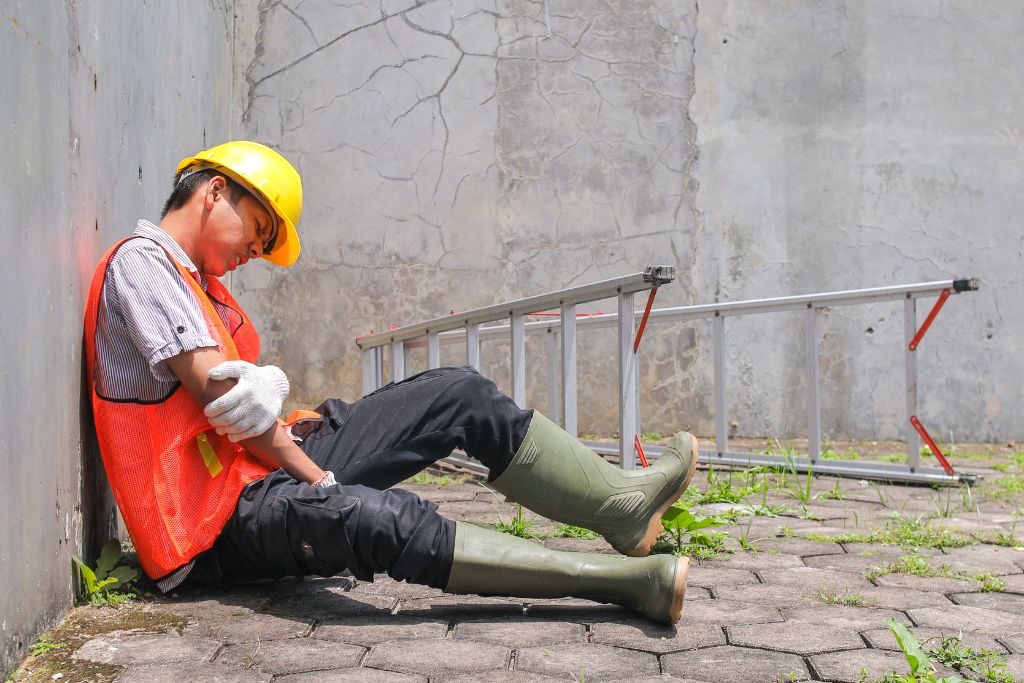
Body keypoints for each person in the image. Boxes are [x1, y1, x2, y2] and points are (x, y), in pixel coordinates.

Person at [83, 141, 699, 624]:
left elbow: (244, 412)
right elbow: (235, 404)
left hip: (253, 476)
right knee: (380, 519)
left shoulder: (202, 286)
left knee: (456, 393)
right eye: (259, 230)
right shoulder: (142, 263)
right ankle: (621, 585)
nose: (257, 250)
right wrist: (321, 480)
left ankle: (623, 507)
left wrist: (296, 439)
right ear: (216, 192)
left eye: (267, 242)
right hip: (205, 533)